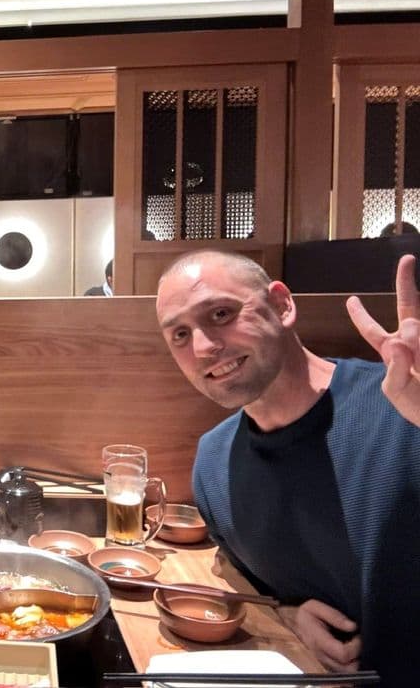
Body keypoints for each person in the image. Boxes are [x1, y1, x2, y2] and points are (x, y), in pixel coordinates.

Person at [155, 249, 420, 682]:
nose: (203, 347)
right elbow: (250, 581)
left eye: (221, 314)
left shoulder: (403, 408)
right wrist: (286, 616)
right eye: (180, 335)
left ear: (281, 305)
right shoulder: (214, 465)